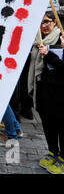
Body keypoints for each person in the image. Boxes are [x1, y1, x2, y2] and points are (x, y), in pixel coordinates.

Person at [25, 11, 61, 120]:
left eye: (46, 22)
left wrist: (47, 54)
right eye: (40, 23)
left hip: (55, 89)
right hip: (40, 84)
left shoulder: (60, 38)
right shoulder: (36, 40)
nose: (43, 26)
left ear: (54, 22)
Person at [37, 34, 64, 174]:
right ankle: (53, 152)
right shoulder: (53, 44)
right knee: (49, 125)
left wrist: (49, 56)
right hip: (49, 95)